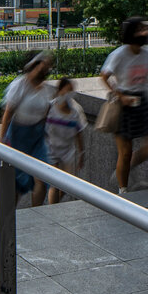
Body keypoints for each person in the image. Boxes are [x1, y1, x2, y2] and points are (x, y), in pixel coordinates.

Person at [100, 17, 148, 194]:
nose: (145, 32)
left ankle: (127, 167)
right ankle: (123, 190)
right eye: (140, 29)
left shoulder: (147, 54)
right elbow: (104, 76)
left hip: (142, 101)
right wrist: (120, 96)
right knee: (125, 151)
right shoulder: (119, 54)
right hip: (123, 104)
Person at [0, 52, 54, 206]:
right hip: (18, 135)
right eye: (42, 67)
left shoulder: (46, 89)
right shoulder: (19, 85)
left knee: (41, 176)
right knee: (16, 180)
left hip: (37, 137)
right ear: (33, 66)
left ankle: (37, 211)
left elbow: (46, 114)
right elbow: (8, 113)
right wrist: (2, 139)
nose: (45, 71)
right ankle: (9, 213)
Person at [46, 76, 87, 204]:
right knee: (54, 183)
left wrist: (81, 153)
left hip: (67, 151)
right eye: (67, 90)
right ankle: (52, 208)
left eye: (71, 90)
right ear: (60, 90)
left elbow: (79, 133)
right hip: (50, 148)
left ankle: (55, 203)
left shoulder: (76, 111)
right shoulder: (50, 107)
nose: (69, 93)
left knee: (66, 184)